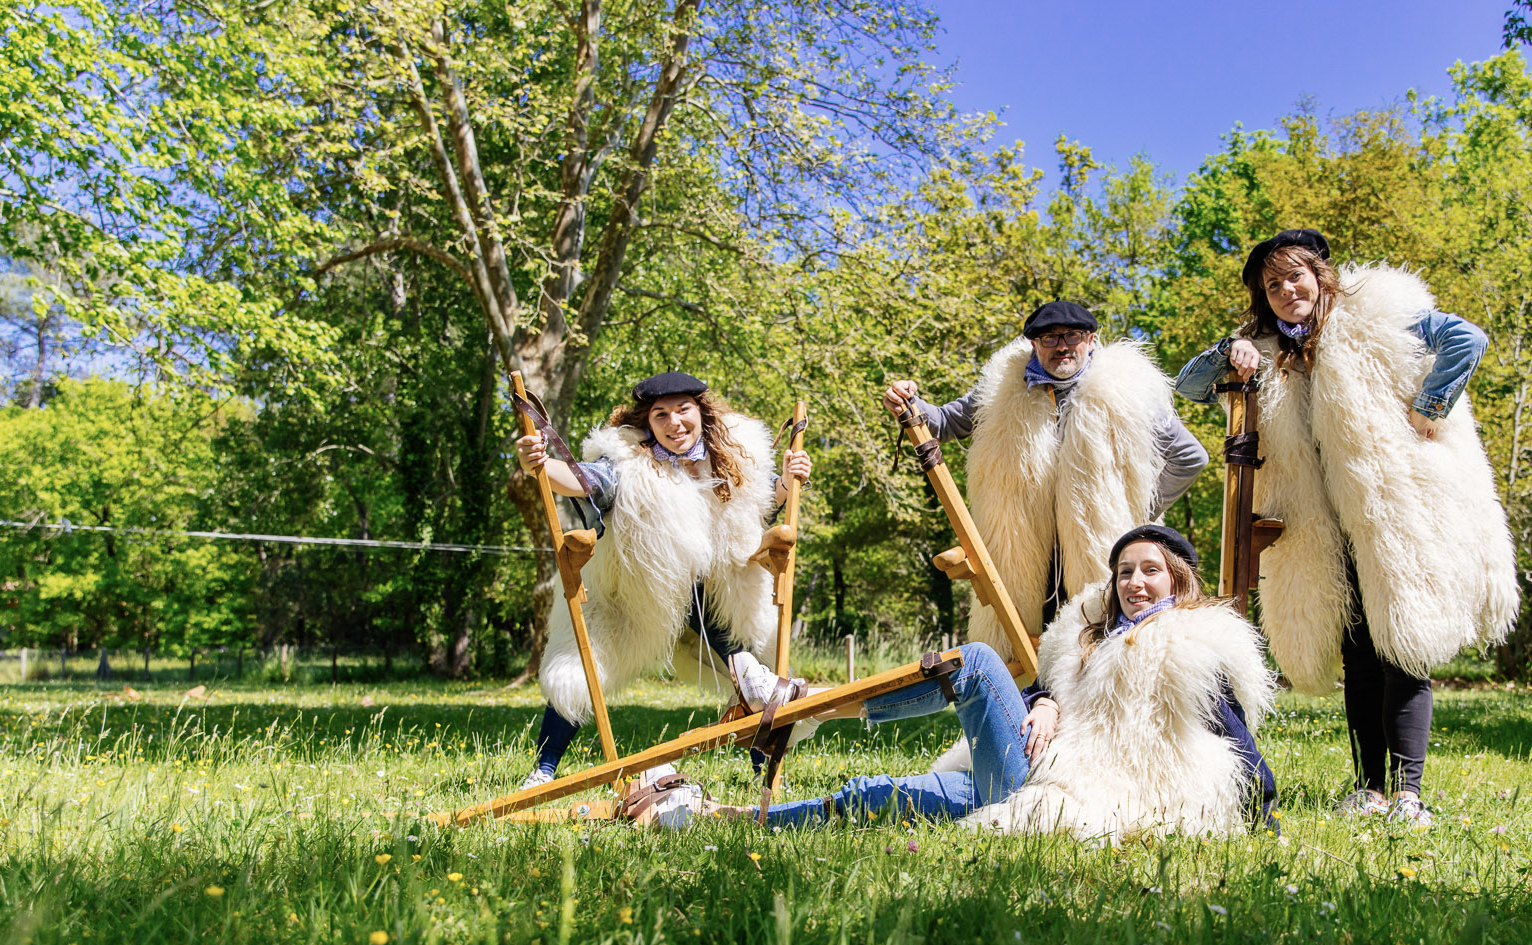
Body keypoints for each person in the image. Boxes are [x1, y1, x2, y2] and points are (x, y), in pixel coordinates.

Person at [1175, 229, 1517, 828]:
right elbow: (1191, 386)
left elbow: (1466, 339)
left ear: (1319, 274)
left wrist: (1428, 409)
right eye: (1272, 284)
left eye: (1294, 276)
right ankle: (1369, 788)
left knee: (1403, 647)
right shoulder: (1266, 347)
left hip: (1392, 514)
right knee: (1357, 656)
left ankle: (1410, 793)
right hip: (1322, 529)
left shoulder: (1379, 315)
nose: (1286, 291)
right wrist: (1233, 351)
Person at [649, 525, 1276, 840]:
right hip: (1026, 770)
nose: (1135, 583)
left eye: (1150, 572)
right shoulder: (1090, 637)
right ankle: (724, 815)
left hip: (1066, 792)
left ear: (1178, 580)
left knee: (975, 660)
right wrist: (1049, 699)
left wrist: (1263, 815)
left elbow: (1235, 744)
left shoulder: (1194, 645)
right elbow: (1044, 700)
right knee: (878, 793)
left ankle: (810, 708)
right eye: (1124, 572)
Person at [515, 371, 811, 787]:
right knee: (577, 671)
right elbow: (582, 481)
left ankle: (767, 775)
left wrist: (788, 479)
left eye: (683, 410)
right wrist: (542, 466)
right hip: (635, 593)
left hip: (715, 594)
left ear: (701, 412)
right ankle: (543, 770)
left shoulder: (735, 454)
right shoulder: (630, 464)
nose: (675, 423)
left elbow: (763, 504)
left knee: (757, 677)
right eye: (661, 415)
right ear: (647, 423)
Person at [882, 300, 1207, 662]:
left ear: (1091, 339)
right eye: (1050, 338)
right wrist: (909, 402)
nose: (1062, 346)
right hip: (1024, 543)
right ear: (1034, 344)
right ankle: (1025, 711)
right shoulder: (1002, 386)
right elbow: (944, 422)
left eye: (1072, 335)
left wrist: (1135, 509)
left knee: (1097, 640)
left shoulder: (1128, 391)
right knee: (1022, 645)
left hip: (1096, 544)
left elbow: (1191, 457)